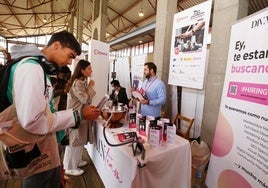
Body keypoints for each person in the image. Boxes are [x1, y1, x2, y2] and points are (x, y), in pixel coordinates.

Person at [7, 30, 100, 188]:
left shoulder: (37, 68)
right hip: (36, 151)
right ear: (57, 45)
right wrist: (77, 115)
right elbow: (33, 121)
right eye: (70, 55)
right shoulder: (30, 68)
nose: (70, 62)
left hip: (44, 147)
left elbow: (44, 111)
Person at [63, 59, 96, 176]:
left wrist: (89, 87)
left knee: (79, 139)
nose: (91, 71)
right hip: (76, 116)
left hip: (80, 116)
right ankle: (69, 167)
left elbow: (87, 98)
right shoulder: (78, 83)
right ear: (82, 70)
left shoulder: (81, 82)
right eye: (89, 69)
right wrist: (91, 86)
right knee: (74, 141)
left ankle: (76, 161)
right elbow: (86, 99)